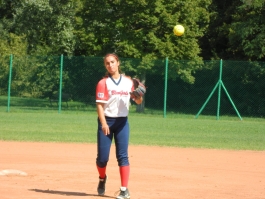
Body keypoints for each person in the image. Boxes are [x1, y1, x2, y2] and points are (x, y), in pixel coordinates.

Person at [95, 53, 143, 199]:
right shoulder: (103, 83)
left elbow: (138, 102)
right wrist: (103, 123)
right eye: (107, 63)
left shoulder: (128, 82)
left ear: (118, 63)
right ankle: (102, 178)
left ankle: (124, 190)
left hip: (122, 122)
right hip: (106, 122)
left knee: (122, 156)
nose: (110, 65)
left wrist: (138, 96)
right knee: (102, 159)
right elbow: (99, 105)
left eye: (112, 62)